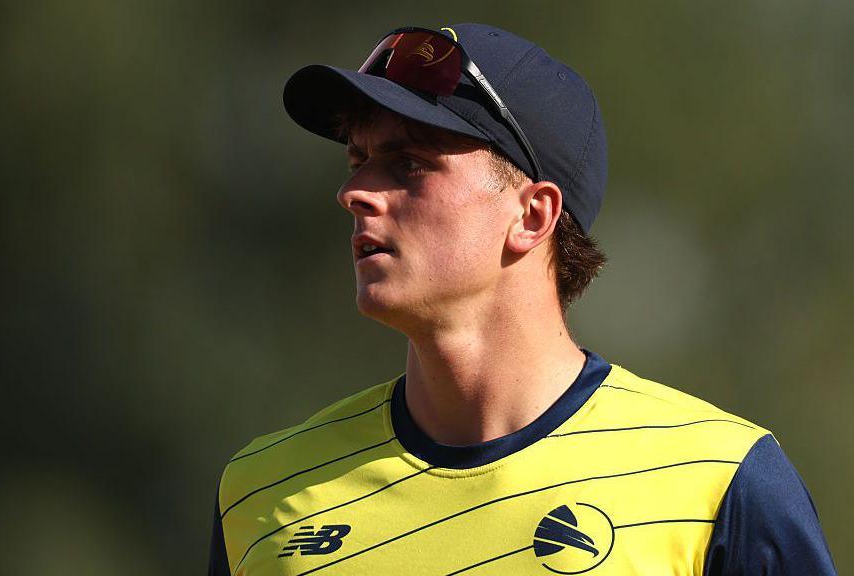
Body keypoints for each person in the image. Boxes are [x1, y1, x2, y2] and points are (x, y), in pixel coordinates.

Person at [208, 23, 836, 575]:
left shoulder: (721, 481)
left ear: (533, 215)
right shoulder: (262, 492)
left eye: (408, 165)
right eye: (358, 162)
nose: (356, 193)